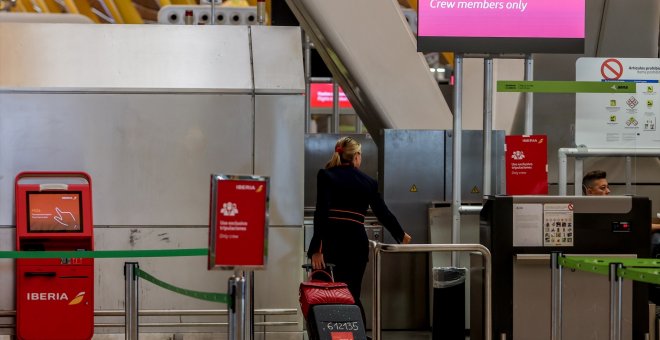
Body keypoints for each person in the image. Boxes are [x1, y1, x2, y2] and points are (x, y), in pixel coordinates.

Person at [308, 136, 412, 324]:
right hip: (357, 246)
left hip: (332, 245)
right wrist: (400, 235)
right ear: (356, 156)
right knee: (352, 294)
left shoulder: (325, 175)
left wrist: (317, 248)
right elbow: (383, 213)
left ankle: (333, 333)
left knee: (331, 295)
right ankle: (357, 334)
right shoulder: (368, 182)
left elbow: (321, 212)